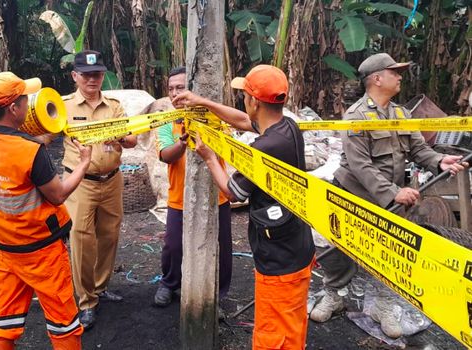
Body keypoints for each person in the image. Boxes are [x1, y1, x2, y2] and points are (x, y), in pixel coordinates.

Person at [309, 53, 467, 339]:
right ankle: (334, 294)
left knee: (389, 252)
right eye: (394, 72)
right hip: (355, 195)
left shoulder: (402, 115)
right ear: (377, 79)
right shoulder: (356, 117)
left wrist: (439, 161)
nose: (400, 76)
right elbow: (361, 166)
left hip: (392, 198)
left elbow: (419, 150)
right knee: (338, 247)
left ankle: (383, 304)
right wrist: (394, 193)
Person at [175, 65, 316, 349]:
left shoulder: (265, 148)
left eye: (245, 96)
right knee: (292, 326)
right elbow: (243, 121)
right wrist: (203, 102)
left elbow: (234, 191)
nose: (244, 102)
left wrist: (209, 157)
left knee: (272, 336)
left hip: (279, 259)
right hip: (297, 246)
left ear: (254, 101)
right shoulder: (287, 127)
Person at [0, 71, 90, 349]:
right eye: (25, 100)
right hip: (42, 252)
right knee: (64, 324)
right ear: (13, 108)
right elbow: (57, 195)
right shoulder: (29, 152)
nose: (29, 104)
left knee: (4, 321)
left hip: (6, 250)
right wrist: (83, 163)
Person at [61, 50, 137, 329]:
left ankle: (101, 287)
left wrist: (121, 135)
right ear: (75, 76)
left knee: (109, 235)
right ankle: (86, 300)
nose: (92, 79)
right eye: (86, 74)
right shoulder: (63, 106)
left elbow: (132, 139)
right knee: (81, 239)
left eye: (97, 74)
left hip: (112, 180)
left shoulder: (114, 106)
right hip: (80, 183)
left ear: (103, 75)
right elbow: (41, 135)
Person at [153, 66, 233, 307]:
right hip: (180, 197)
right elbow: (166, 155)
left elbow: (227, 147)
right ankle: (169, 283)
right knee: (173, 245)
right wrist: (183, 141)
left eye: (181, 87)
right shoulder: (167, 123)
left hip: (216, 196)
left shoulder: (215, 119)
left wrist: (207, 132)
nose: (175, 94)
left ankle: (218, 295)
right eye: (171, 89)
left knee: (221, 247)